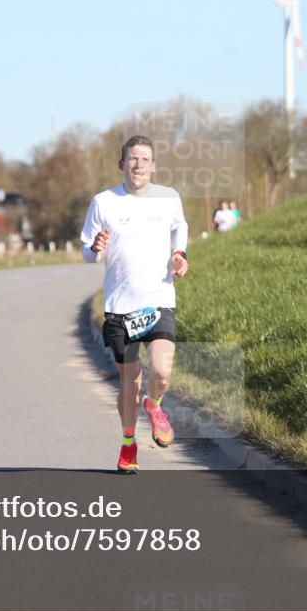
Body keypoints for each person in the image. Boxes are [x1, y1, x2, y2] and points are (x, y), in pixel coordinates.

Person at [81, 135, 189, 473]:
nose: (138, 164)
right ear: (121, 164)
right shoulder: (103, 202)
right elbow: (87, 253)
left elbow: (180, 227)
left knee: (162, 369)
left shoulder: (169, 198)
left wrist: (180, 255)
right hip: (119, 308)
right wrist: (95, 246)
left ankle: (154, 405)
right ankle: (128, 443)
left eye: (145, 159)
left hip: (157, 301)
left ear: (154, 166)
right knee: (130, 380)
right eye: (132, 159)